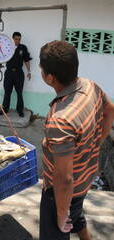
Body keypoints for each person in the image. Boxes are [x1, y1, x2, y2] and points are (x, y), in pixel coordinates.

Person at [39, 40, 114, 240]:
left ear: (49, 77)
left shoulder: (61, 119)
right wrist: (97, 142)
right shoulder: (90, 86)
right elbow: (110, 110)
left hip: (62, 192)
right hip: (86, 176)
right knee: (77, 212)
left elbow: (64, 179)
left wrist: (61, 214)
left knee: (62, 225)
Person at [0, 32, 32, 117]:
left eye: (19, 39)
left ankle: (20, 110)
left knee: (19, 92)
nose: (18, 41)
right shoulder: (7, 46)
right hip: (8, 72)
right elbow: (0, 55)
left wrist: (29, 71)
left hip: (19, 73)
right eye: (16, 39)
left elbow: (26, 60)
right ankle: (5, 109)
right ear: (12, 39)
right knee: (7, 92)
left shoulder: (23, 48)